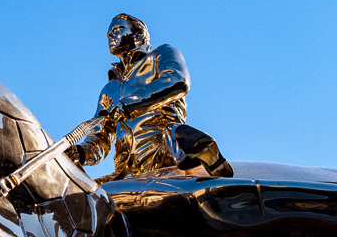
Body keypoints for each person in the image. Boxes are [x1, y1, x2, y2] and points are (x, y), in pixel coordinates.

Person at [67, 14, 232, 181]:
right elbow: (100, 138)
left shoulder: (161, 55)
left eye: (117, 29)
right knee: (82, 197)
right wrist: (80, 153)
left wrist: (128, 105)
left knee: (180, 141)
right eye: (109, 33)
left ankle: (201, 153)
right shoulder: (109, 90)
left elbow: (177, 81)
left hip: (165, 155)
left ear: (138, 36)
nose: (110, 35)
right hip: (125, 171)